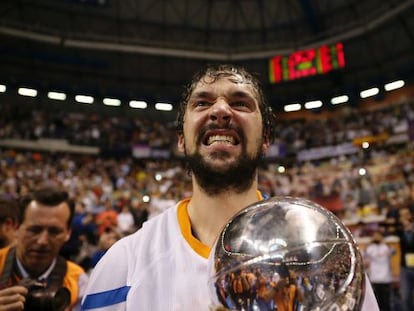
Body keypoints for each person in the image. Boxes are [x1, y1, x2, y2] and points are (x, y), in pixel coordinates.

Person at [81, 64, 379, 310]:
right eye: (202, 102)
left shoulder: (326, 255)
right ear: (181, 139)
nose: (221, 111)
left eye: (240, 103)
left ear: (265, 139)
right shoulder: (124, 265)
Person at [0, 186, 89, 311]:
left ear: (68, 233)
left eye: (54, 231)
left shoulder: (78, 283)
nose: (42, 241)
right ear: (16, 227)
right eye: (34, 230)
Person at [364, 230, 395, 311]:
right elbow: (365, 255)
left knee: (386, 303)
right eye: (375, 235)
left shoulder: (387, 247)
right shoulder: (370, 248)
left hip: (386, 279)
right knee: (376, 302)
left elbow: (393, 251)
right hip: (374, 279)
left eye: (378, 235)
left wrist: (384, 242)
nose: (376, 237)